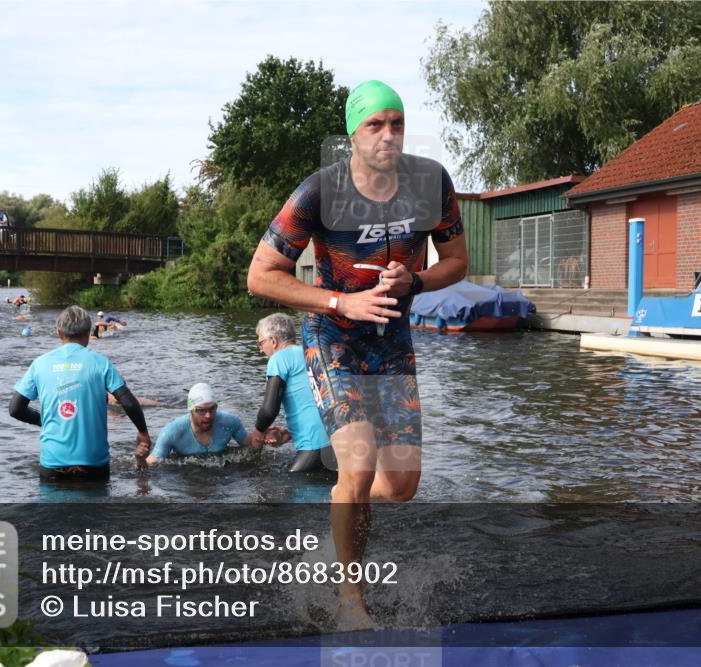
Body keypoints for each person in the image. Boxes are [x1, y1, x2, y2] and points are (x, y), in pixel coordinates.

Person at [246, 79, 467, 627]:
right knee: (359, 464)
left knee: (401, 485)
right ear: (352, 133)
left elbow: (458, 261)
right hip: (333, 337)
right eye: (375, 124)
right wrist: (340, 299)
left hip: (391, 341)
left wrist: (414, 281)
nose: (388, 135)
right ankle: (352, 600)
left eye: (397, 123)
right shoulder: (320, 191)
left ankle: (339, 529)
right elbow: (260, 276)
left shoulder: (430, 182)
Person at [9, 305, 152, 481]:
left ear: (59, 333)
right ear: (88, 334)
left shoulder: (39, 364)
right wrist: (143, 432)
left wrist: (42, 420)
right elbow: (128, 402)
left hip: (53, 464)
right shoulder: (101, 363)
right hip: (94, 465)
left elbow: (15, 409)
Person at [252, 313, 335, 473]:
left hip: (314, 446)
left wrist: (258, 432)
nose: (261, 349)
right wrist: (289, 434)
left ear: (273, 341)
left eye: (261, 343)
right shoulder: (313, 352)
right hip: (340, 440)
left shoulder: (278, 359)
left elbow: (269, 410)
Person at [137, 383, 262, 468]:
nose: (208, 415)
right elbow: (151, 465)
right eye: (201, 410)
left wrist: (263, 435)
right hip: (186, 477)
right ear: (191, 410)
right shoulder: (172, 432)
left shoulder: (229, 422)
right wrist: (141, 459)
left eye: (212, 409)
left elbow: (252, 447)